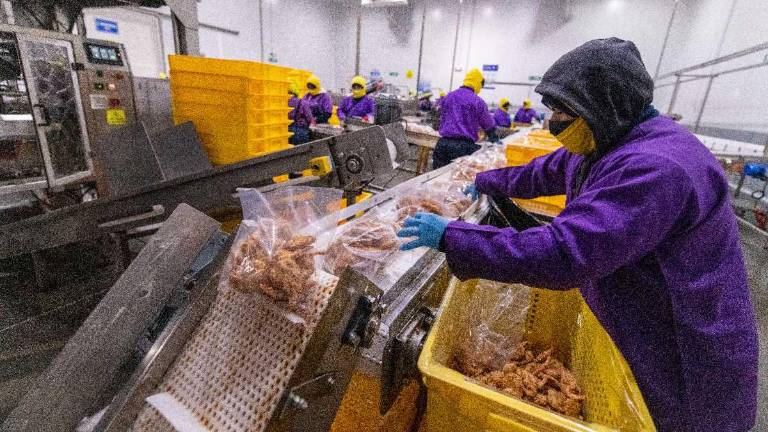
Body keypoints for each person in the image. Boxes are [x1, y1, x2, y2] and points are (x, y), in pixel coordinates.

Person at [397, 38, 757, 432]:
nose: (554, 121)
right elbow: (545, 171)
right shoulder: (610, 137)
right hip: (639, 317)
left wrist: (454, 237)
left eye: (563, 111)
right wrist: (486, 181)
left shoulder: (656, 168)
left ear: (602, 106)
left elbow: (564, 254)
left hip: (681, 347)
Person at [431, 68, 498, 169]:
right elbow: (488, 125)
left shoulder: (449, 96)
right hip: (463, 148)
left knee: (436, 179)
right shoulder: (477, 101)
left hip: (442, 144)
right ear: (478, 83)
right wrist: (495, 141)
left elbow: (439, 115)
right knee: (457, 180)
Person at [288, 79, 313, 144]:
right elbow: (309, 118)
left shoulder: (280, 102)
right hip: (300, 132)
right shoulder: (302, 102)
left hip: (286, 132)